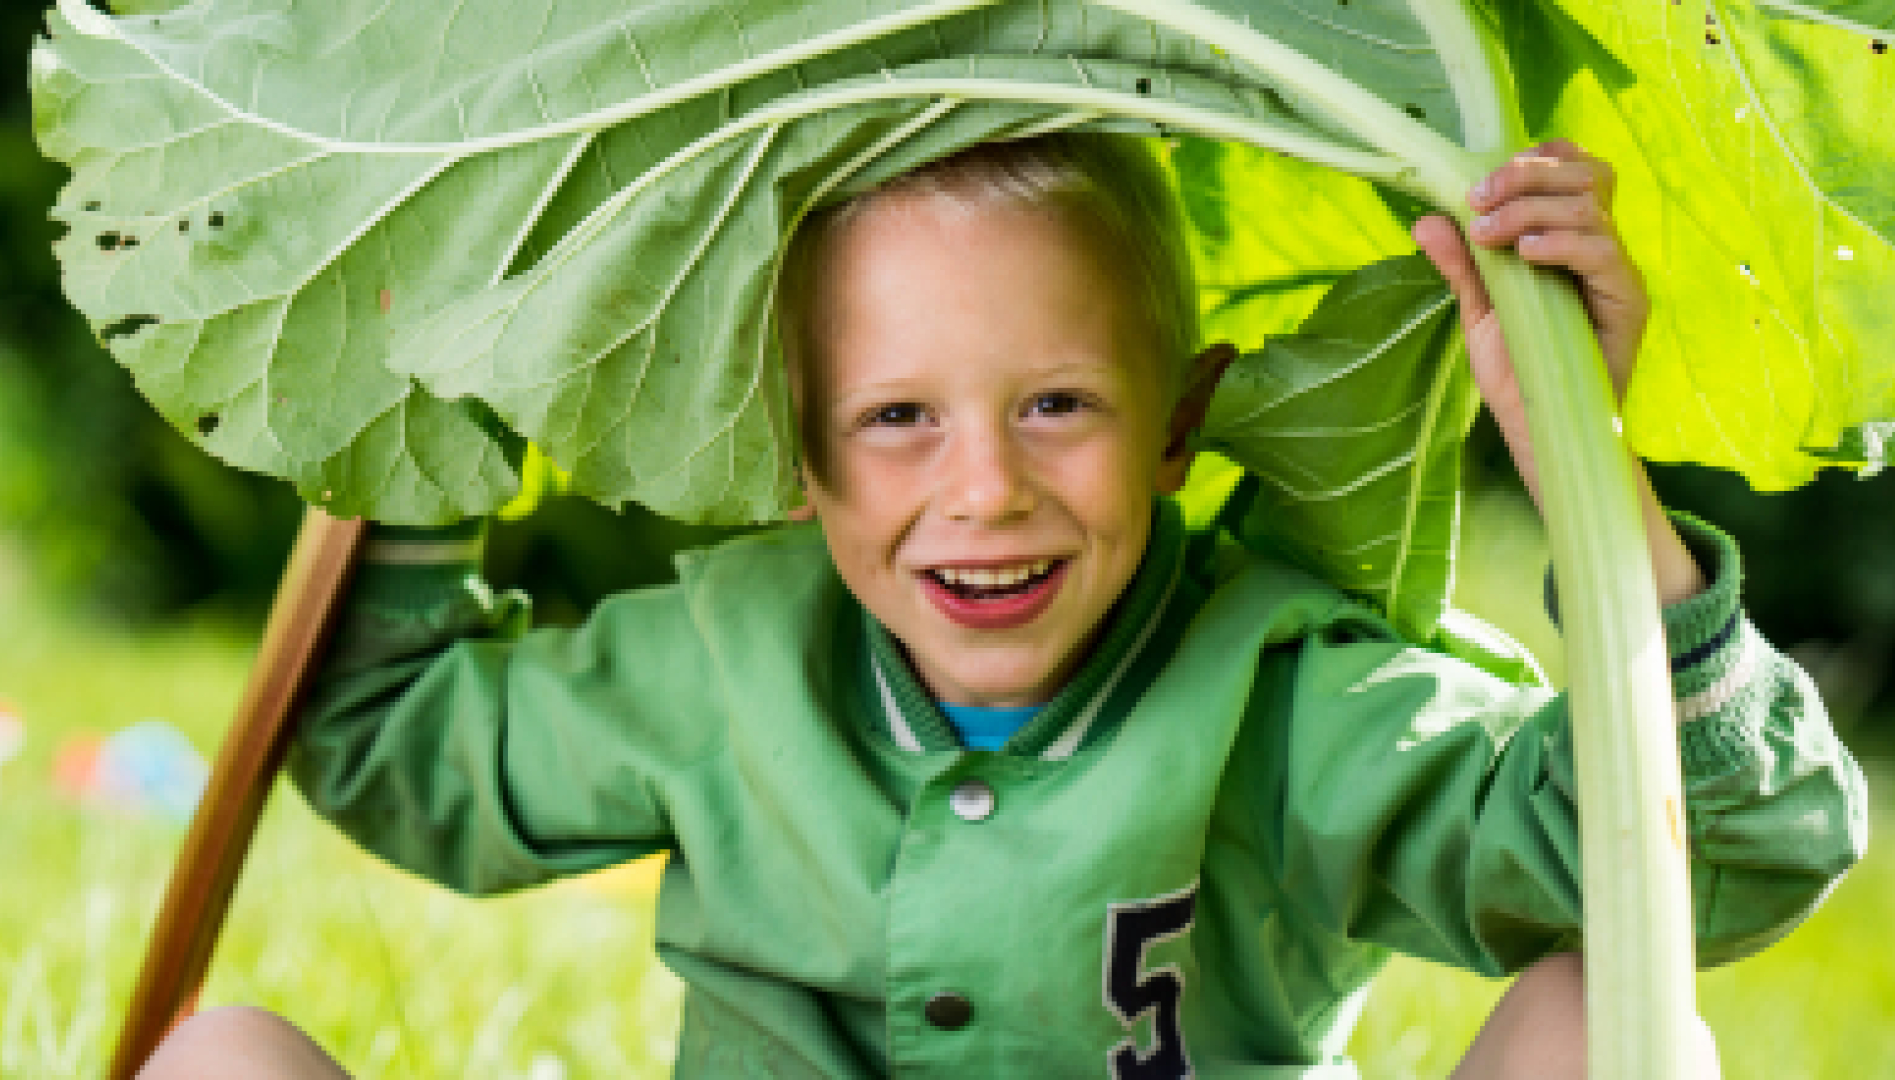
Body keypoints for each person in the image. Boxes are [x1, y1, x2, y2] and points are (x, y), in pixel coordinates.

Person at [137, 135, 1865, 1079]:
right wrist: (421, 384)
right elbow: (390, 741)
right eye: (897, 420)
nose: (983, 491)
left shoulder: (1287, 689)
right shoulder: (720, 662)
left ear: (1182, 422)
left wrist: (1579, 457)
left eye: (1058, 405)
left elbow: (1737, 850)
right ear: (800, 460)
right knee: (221, 1063)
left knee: (1608, 1032)